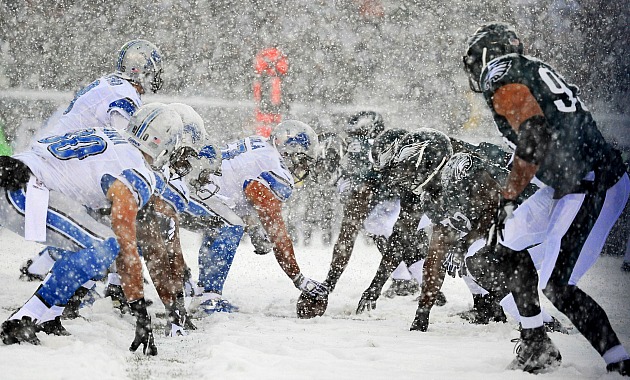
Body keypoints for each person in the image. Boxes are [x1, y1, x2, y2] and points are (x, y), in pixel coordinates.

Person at [462, 22, 629, 374]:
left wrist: (510, 196)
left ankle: (618, 361)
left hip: (592, 183)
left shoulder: (502, 72)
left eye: (477, 61)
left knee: (558, 284)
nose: (476, 71)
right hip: (566, 182)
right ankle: (535, 340)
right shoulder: (533, 68)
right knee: (503, 247)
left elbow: (534, 134)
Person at [0, 103, 183, 357]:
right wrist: (141, 313)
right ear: (163, 145)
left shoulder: (107, 135)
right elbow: (125, 246)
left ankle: (50, 316)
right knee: (104, 246)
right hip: (23, 188)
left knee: (87, 242)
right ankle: (24, 318)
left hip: (11, 172)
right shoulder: (136, 171)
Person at [20, 39, 163, 284]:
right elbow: (127, 145)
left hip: (60, 152)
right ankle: (115, 281)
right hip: (64, 161)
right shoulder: (125, 95)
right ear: (145, 71)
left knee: (96, 219)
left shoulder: (112, 82)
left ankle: (41, 267)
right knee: (116, 209)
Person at [191, 120, 328, 313]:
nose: (301, 168)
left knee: (222, 220)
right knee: (231, 224)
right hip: (194, 193)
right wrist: (299, 278)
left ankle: (203, 291)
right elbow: (277, 233)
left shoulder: (261, 144)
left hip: (194, 186)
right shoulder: (274, 168)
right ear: (289, 153)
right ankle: (208, 297)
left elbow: (238, 192)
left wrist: (254, 227)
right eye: (302, 161)